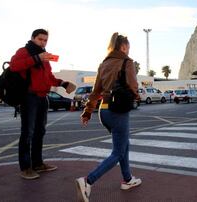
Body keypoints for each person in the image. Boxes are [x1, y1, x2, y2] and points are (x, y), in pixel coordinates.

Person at [76, 33, 142, 202]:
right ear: (123, 47)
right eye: (128, 47)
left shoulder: (103, 64)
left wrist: (88, 111)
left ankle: (127, 179)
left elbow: (96, 91)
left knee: (124, 144)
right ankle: (87, 181)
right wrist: (136, 96)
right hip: (118, 110)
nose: (129, 50)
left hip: (103, 111)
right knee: (118, 152)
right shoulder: (127, 62)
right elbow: (133, 85)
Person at [10, 29, 76, 180]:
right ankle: (26, 167)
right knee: (27, 132)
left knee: (40, 132)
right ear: (33, 38)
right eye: (40, 39)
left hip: (42, 97)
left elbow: (49, 77)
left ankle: (38, 163)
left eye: (45, 40)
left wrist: (63, 83)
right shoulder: (24, 51)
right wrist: (36, 58)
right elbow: (14, 66)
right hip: (29, 97)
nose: (43, 42)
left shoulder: (45, 56)